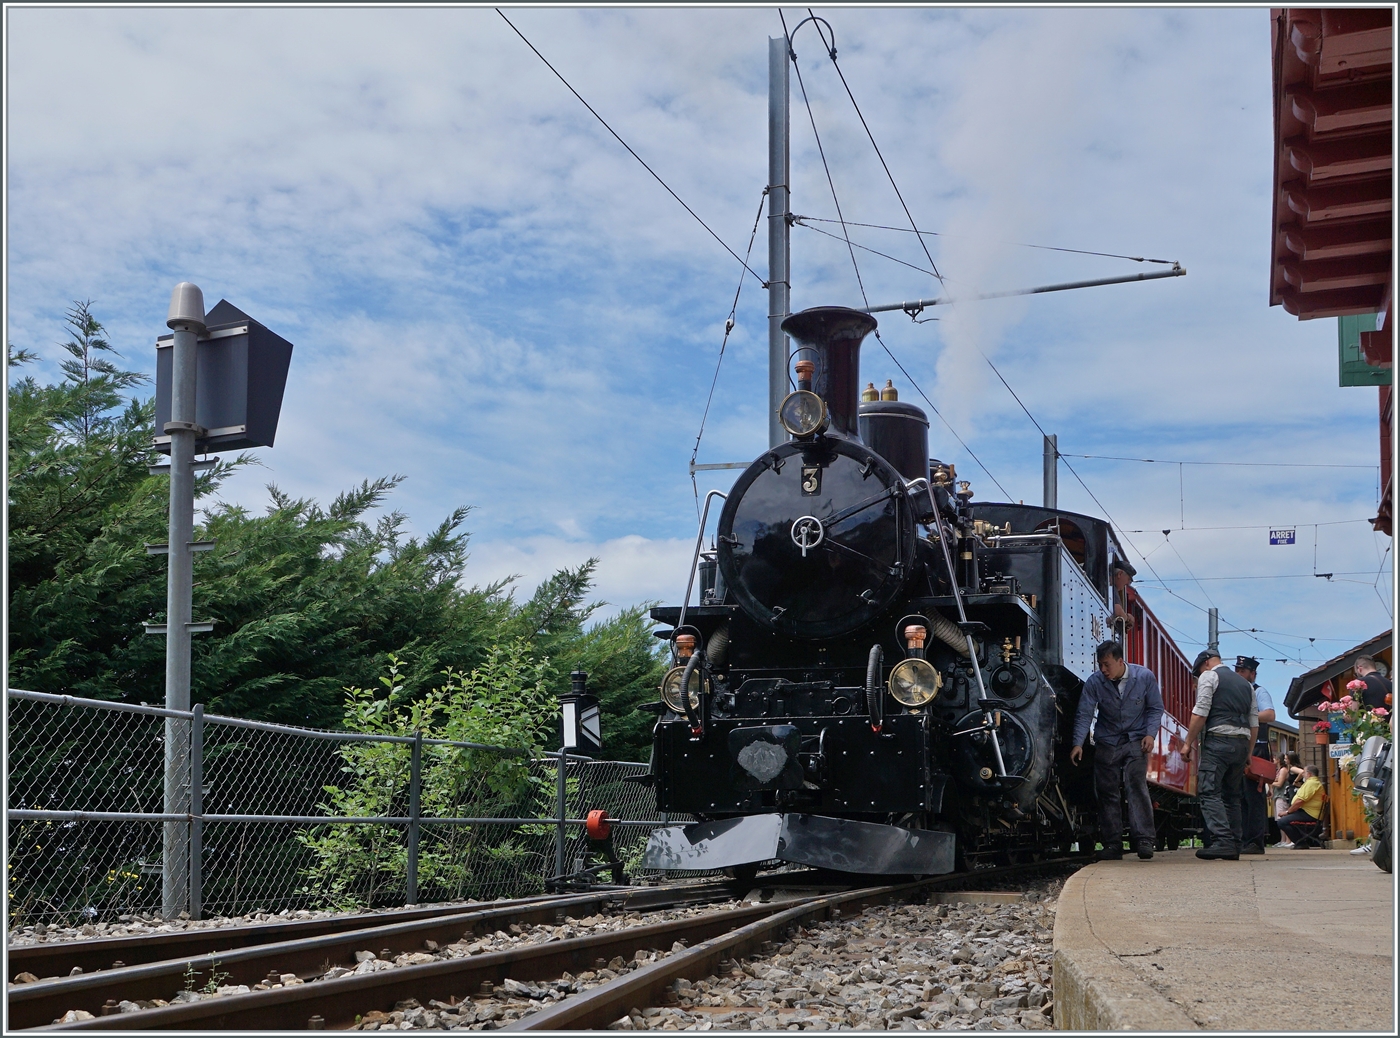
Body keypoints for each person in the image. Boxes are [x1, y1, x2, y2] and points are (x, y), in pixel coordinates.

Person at [1070, 640, 1165, 861]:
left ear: (1120, 661)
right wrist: (1078, 743)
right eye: (1100, 665)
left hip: (1136, 740)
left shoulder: (1144, 677)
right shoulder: (1094, 682)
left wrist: (1150, 734)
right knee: (1106, 792)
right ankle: (1112, 844)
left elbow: (1155, 708)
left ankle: (1144, 840)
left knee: (1136, 787)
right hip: (1107, 742)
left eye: (1106, 664)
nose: (1103, 670)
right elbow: (1084, 713)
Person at [1182, 649, 1258, 860]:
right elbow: (1254, 722)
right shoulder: (1246, 685)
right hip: (1242, 744)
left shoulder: (1210, 675)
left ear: (1206, 664)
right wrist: (1249, 753)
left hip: (1219, 743)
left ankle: (1222, 840)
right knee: (1232, 796)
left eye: (1198, 672)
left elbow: (1201, 711)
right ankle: (1234, 844)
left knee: (1209, 792)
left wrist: (1188, 743)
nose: (1198, 676)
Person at [1235, 656, 1275, 856]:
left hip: (1257, 747)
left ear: (1252, 674)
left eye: (1244, 671)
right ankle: (1244, 839)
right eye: (1238, 671)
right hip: (1241, 747)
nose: (1240, 674)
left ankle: (1255, 841)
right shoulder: (1237, 692)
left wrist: (1245, 717)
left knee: (1254, 796)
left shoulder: (1259, 691)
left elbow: (1269, 715)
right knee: (1241, 796)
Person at [1277, 764, 1325, 846]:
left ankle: (1300, 843)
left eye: (1304, 773)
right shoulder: (1312, 782)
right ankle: (1301, 841)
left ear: (1309, 774)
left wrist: (1288, 812)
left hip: (1310, 814)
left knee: (1282, 822)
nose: (1302, 774)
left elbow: (1300, 801)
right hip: (1308, 812)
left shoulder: (1311, 783)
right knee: (1285, 820)